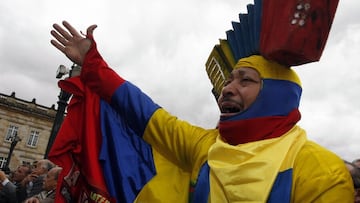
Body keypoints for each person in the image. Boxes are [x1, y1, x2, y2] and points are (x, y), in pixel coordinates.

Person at [49, 20, 354, 202]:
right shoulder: (205, 147)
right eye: (229, 80)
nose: (228, 88)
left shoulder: (321, 172)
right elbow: (144, 112)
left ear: (278, 96)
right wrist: (93, 64)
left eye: (245, 80)